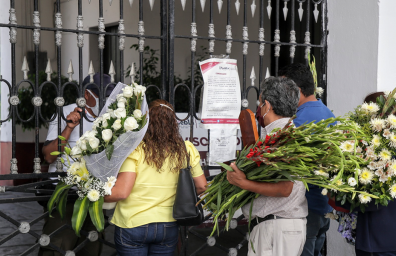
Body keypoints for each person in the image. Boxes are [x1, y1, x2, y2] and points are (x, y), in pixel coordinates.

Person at [104, 99, 208, 256]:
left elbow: (121, 193)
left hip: (133, 224)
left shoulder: (135, 150)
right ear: (174, 122)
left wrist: (92, 195)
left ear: (146, 120)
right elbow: (201, 186)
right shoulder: (186, 149)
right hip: (168, 225)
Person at [227, 77, 308, 256]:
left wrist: (244, 183)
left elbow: (286, 188)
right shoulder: (286, 134)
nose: (260, 109)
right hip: (279, 226)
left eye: (261, 104)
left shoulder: (282, 138)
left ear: (268, 105)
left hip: (276, 226)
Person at [335, 92, 396, 256]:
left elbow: (378, 199)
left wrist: (341, 200)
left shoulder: (388, 150)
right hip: (392, 236)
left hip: (379, 237)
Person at [39, 73, 114, 256]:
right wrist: (70, 127)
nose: (106, 101)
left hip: (94, 196)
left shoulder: (111, 118)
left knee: (91, 248)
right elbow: (48, 156)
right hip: (66, 196)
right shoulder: (65, 112)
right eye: (101, 95)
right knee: (56, 247)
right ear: (87, 95)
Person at [279, 63, 335, 256]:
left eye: (286, 90)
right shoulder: (328, 114)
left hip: (306, 206)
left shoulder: (298, 122)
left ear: (299, 91)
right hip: (323, 205)